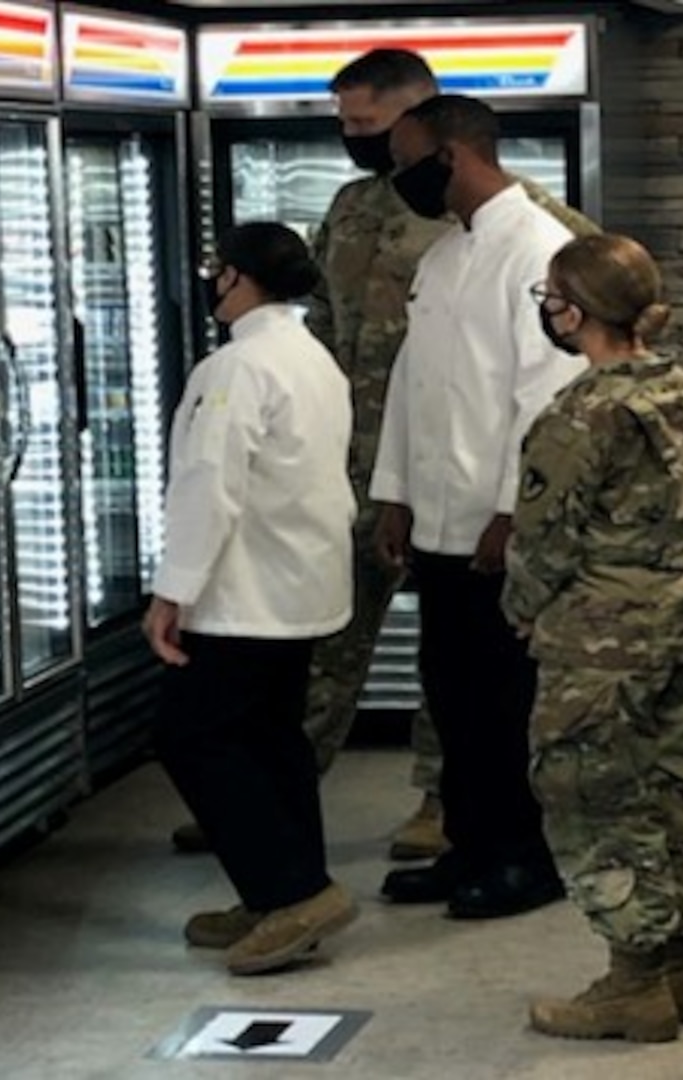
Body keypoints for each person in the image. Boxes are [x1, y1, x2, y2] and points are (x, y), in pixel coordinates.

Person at [170, 49, 597, 862]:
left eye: (367, 126)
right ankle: (270, 797)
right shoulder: (354, 209)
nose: (353, 140)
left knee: (460, 662)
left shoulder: (523, 222)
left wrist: (519, 498)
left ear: (422, 122)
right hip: (353, 466)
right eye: (345, 125)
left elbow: (584, 328)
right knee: (329, 641)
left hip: (468, 476)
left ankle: (445, 803)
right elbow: (319, 321)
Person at [502, 234, 683, 1042]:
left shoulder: (580, 412)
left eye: (550, 298)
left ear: (575, 312)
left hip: (603, 636)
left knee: (594, 793)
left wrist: (523, 609)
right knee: (680, 786)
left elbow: (541, 539)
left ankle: (633, 982)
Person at [369, 94, 586, 920]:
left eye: (405, 159)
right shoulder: (442, 256)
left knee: (506, 703)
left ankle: (524, 858)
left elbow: (546, 399)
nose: (398, 177)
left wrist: (511, 512)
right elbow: (410, 383)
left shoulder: (538, 248)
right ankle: (468, 843)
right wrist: (394, 493)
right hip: (436, 519)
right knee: (451, 695)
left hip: (497, 529)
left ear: (453, 156)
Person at [144, 222, 358, 976]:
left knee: (191, 735)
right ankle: (276, 891)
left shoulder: (234, 368)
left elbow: (211, 486)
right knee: (273, 739)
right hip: (304, 581)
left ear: (235, 278)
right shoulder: (312, 357)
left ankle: (293, 891)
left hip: (243, 593)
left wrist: (173, 591)